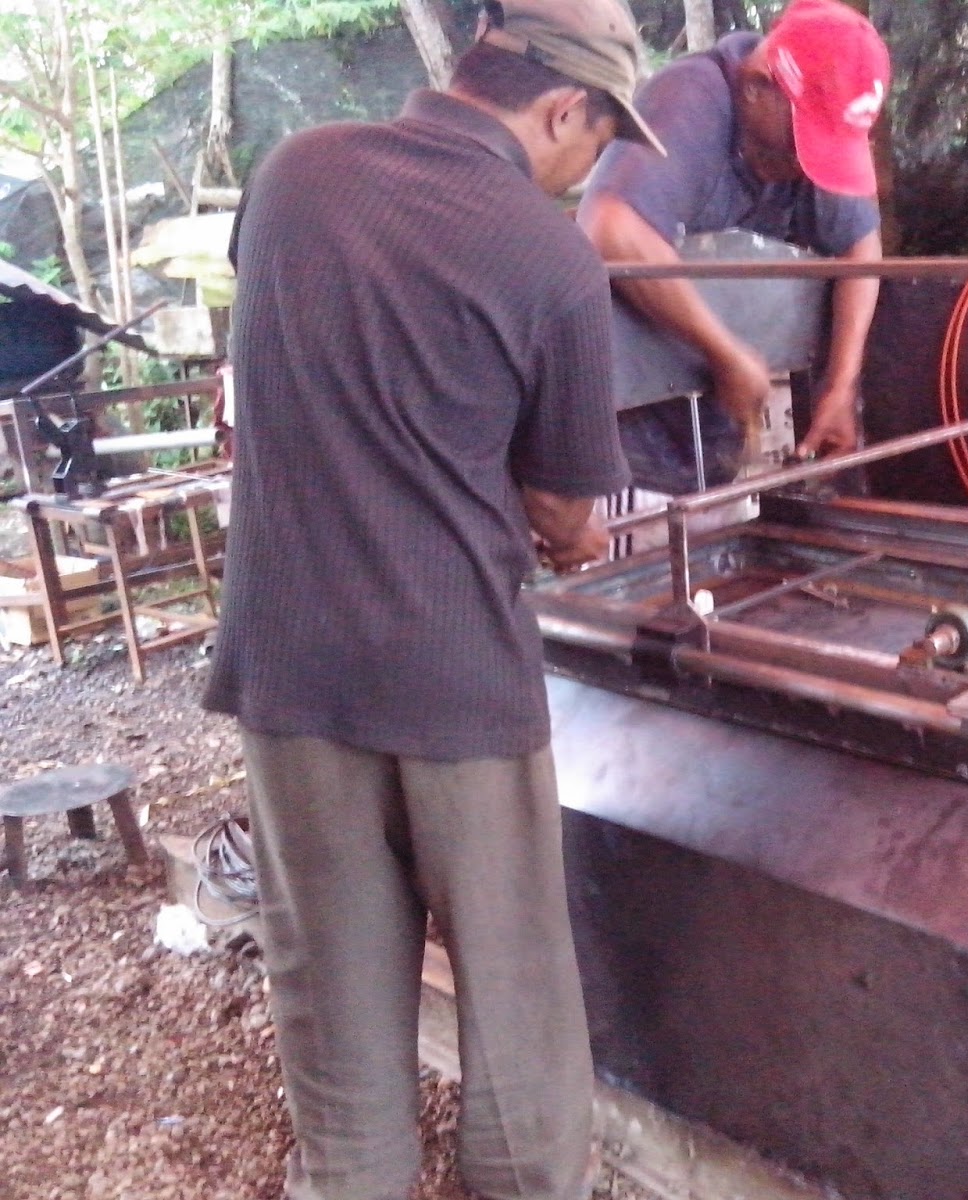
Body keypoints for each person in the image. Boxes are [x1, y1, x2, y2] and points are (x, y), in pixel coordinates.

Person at [201, 1, 659, 1196]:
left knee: (338, 1024)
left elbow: (290, 368)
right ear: (565, 107)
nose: (584, 168)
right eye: (596, 138)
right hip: (456, 681)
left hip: (290, 669)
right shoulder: (546, 251)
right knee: (514, 1019)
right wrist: (557, 527)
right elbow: (567, 517)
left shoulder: (293, 174)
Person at [578, 0, 891, 495]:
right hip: (622, 410)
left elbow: (860, 245)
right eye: (805, 141)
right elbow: (609, 228)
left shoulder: (805, 124)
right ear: (756, 86)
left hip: (709, 416)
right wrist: (726, 353)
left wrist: (840, 385)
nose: (812, 168)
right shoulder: (691, 98)